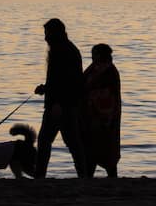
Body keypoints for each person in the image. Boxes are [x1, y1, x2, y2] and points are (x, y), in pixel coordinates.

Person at [33, 18, 87, 178]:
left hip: (61, 105)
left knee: (46, 141)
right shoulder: (65, 49)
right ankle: (83, 175)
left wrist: (57, 103)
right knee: (71, 143)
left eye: (47, 34)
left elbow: (67, 81)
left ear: (55, 33)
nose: (45, 38)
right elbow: (58, 80)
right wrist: (45, 88)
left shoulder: (63, 51)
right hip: (65, 103)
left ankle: (40, 175)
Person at [82, 43, 121, 178]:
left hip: (105, 117)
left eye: (94, 54)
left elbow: (109, 94)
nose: (92, 57)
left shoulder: (109, 71)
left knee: (107, 149)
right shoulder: (94, 68)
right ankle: (88, 175)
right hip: (91, 115)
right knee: (91, 149)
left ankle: (110, 176)